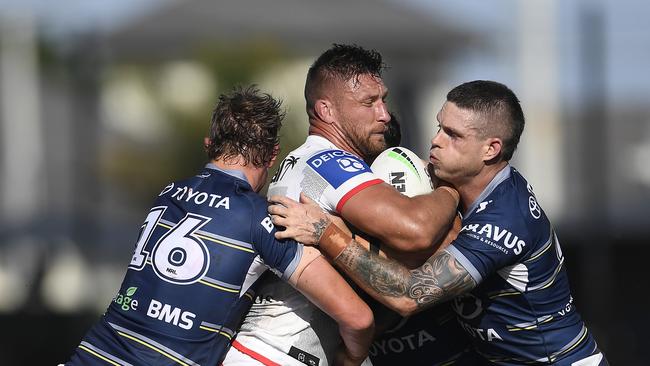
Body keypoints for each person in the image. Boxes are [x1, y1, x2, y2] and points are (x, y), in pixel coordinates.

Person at [270, 80, 609, 365]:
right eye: (438, 127)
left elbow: (410, 295)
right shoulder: (463, 187)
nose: (435, 141)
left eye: (453, 135)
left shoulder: (503, 220)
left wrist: (326, 233)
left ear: (490, 149)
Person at [64, 86, 374, 366]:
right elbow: (357, 318)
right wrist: (352, 358)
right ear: (273, 155)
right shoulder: (263, 219)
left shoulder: (167, 193)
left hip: (90, 353)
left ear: (209, 144)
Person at [227, 44, 466, 366]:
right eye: (369, 103)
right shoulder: (327, 163)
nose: (384, 114)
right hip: (277, 355)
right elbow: (417, 231)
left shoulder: (304, 161)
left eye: (383, 100)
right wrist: (450, 187)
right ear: (326, 111)